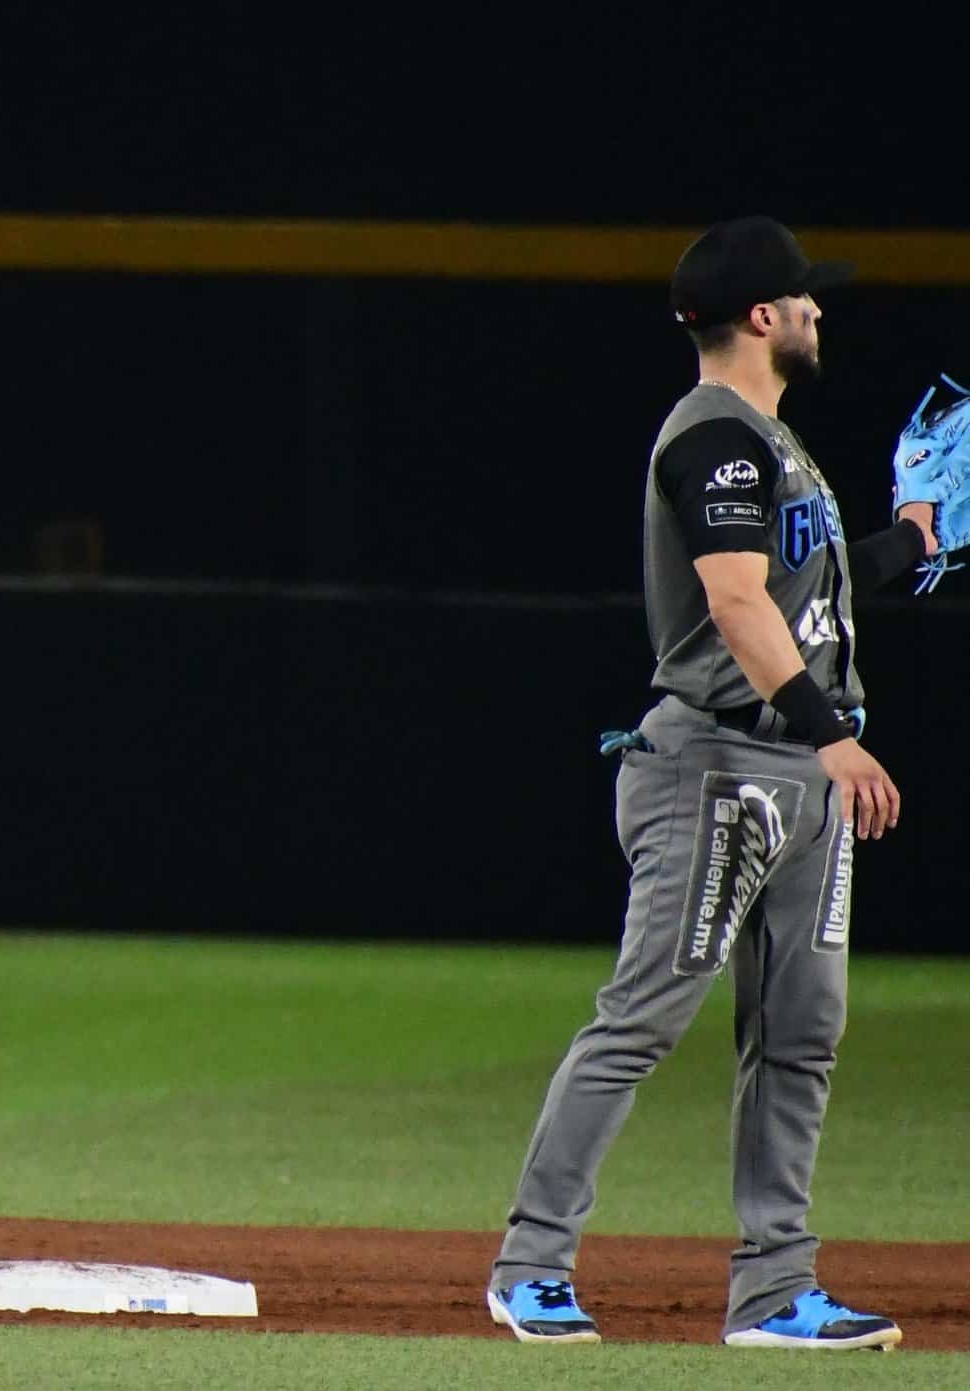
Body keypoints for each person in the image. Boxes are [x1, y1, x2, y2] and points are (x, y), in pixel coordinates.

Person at [485, 216, 933, 1351]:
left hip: (794, 773)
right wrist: (833, 735)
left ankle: (773, 1293)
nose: (818, 312)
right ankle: (528, 1263)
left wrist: (908, 541)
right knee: (642, 1018)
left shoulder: (777, 449)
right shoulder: (716, 440)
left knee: (799, 1029)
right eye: (804, 298)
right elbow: (735, 608)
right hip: (721, 768)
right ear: (760, 316)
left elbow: (801, 598)